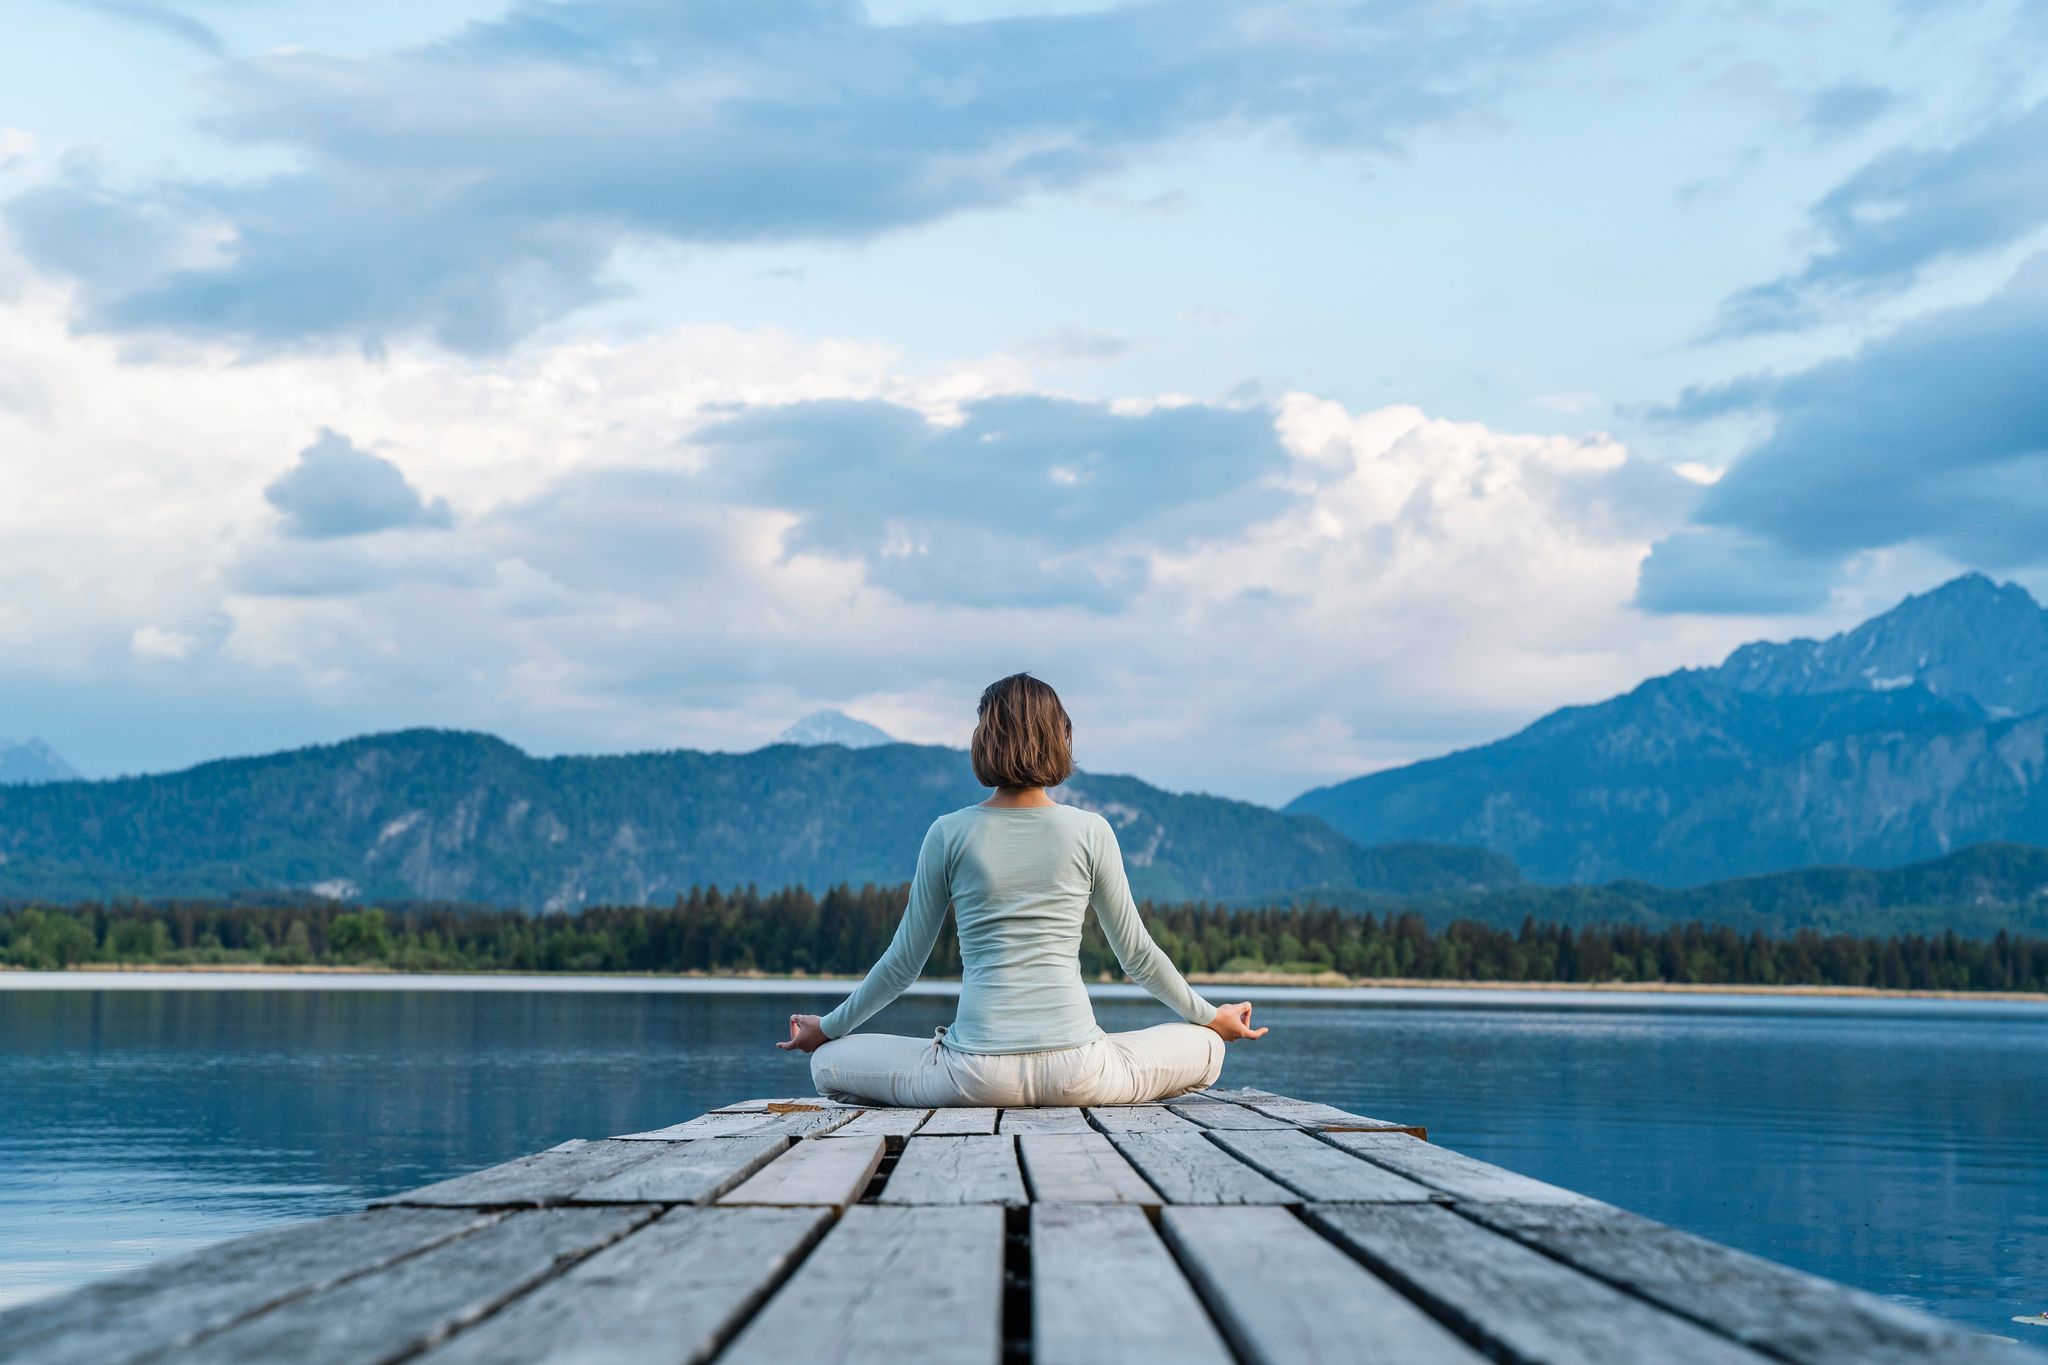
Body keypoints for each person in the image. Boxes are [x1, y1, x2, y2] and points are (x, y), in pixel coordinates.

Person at [777, 672, 1268, 1106]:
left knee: (828, 1063)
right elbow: (1137, 955)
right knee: (1207, 1046)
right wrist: (1211, 1017)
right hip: (1081, 1072)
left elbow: (904, 965)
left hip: (972, 1077)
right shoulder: (1091, 830)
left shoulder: (948, 832)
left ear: (984, 739)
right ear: (1061, 739)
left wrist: (829, 1028)